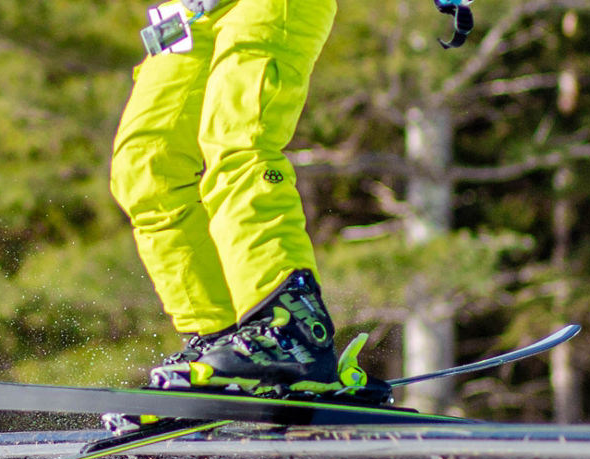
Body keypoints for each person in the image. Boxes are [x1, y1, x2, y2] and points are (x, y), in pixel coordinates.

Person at [109, 0, 385, 404]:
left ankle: (291, 329)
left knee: (238, 140)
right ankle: (221, 341)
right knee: (145, 170)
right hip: (191, 11)